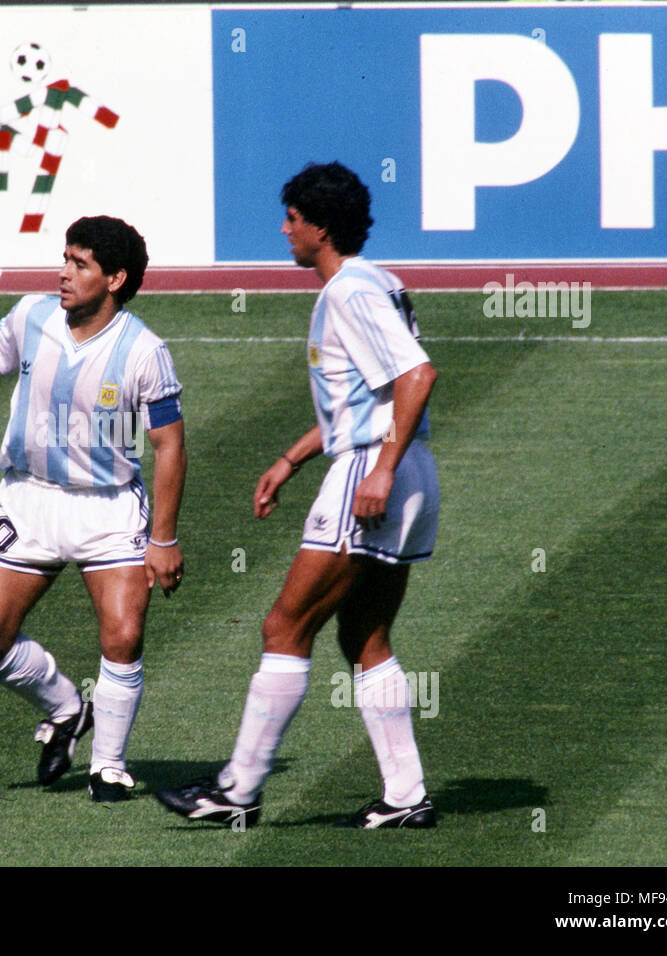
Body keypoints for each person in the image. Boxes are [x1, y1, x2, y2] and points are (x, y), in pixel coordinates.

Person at [155, 162, 439, 829]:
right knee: (365, 636)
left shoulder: (349, 292)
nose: (285, 230)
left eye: (293, 219)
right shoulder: (379, 283)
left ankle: (238, 791)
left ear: (321, 227)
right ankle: (406, 797)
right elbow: (366, 396)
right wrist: (292, 458)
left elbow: (417, 376)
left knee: (286, 626)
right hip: (408, 468)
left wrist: (378, 471)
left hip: (377, 471)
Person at [0, 215, 186, 803]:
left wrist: (165, 538)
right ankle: (66, 708)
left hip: (108, 511)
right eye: (65, 259)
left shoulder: (144, 352)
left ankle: (109, 766)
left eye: (81, 265)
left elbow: (169, 445)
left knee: (123, 635)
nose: (64, 273)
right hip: (30, 500)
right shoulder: (33, 316)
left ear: (115, 279)